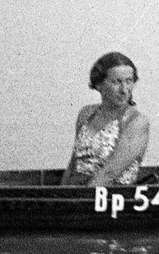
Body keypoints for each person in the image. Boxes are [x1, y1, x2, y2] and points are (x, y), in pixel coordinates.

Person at [62, 51, 151, 186]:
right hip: (77, 191)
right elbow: (74, 162)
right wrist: (61, 195)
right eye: (117, 82)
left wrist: (79, 199)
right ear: (99, 84)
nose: (124, 89)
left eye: (129, 81)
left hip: (110, 196)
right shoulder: (86, 114)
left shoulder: (136, 121)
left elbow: (109, 173)